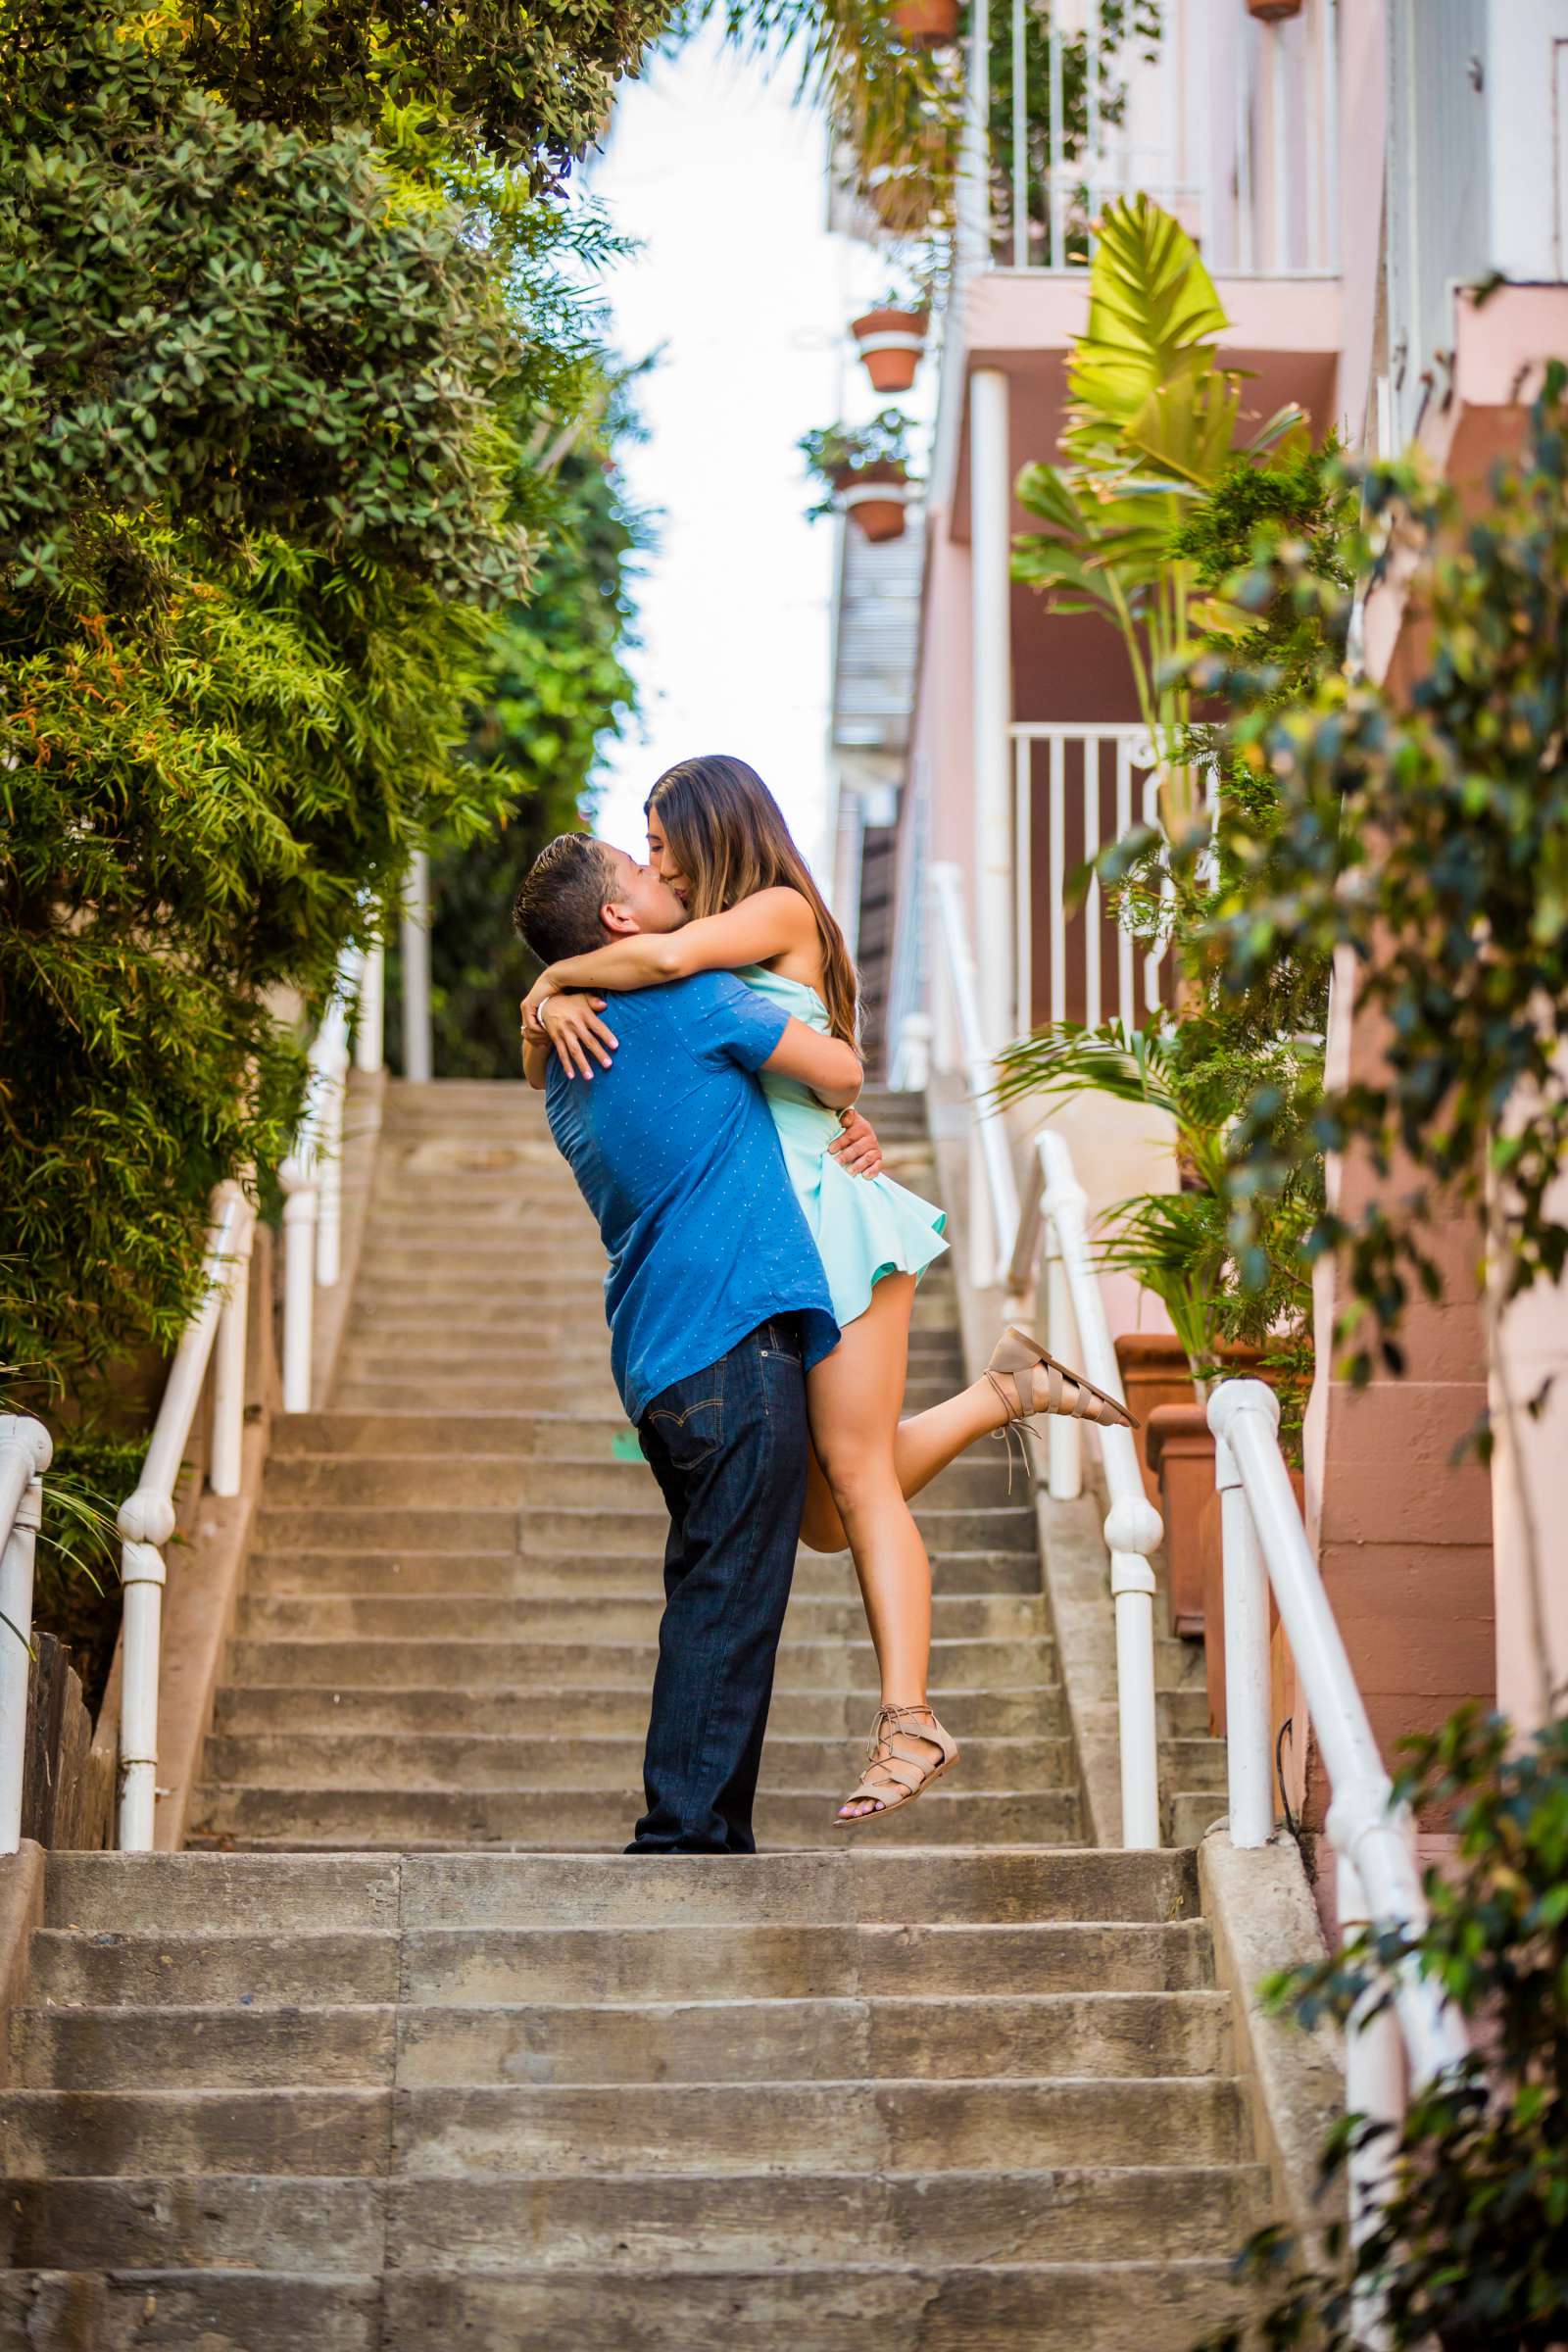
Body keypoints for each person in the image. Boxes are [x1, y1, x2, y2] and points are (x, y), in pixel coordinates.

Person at [519, 757, 1135, 1827]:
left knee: (851, 1478)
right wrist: (553, 999)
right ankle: (1005, 1392)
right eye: (645, 848)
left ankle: (909, 1720)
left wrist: (549, 985)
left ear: (712, 830)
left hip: (824, 1210)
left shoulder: (768, 909)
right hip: (784, 1223)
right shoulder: (702, 964)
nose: (657, 856)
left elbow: (668, 959)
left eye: (661, 840)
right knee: (817, 1516)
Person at [514, 833, 855, 1856]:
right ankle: (684, 1838)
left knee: (716, 1589)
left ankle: (703, 1828)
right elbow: (838, 1069)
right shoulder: (692, 1001)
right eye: (643, 870)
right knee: (728, 1600)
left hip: (663, 1362)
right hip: (733, 1341)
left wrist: (546, 994)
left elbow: (534, 1047)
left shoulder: (567, 1065)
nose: (668, 879)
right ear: (619, 920)